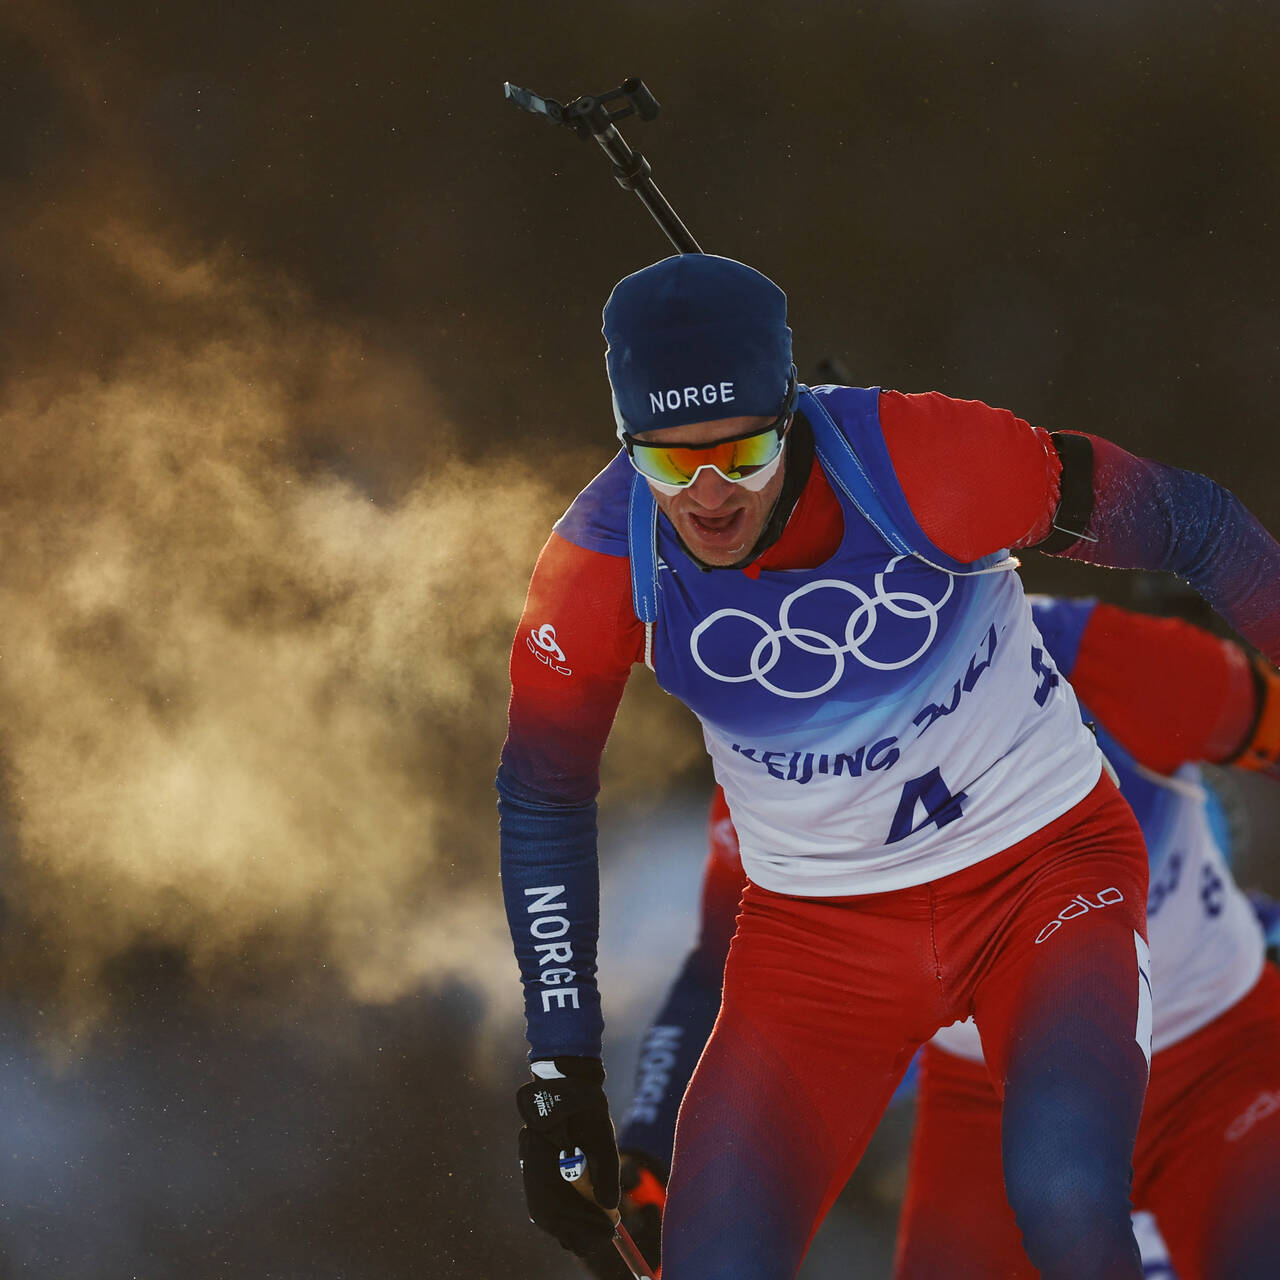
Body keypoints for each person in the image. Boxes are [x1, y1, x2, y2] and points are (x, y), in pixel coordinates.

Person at [497, 252, 1280, 1280]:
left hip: (1037, 875)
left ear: (788, 413)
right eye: (666, 463)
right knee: (711, 1257)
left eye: (738, 451)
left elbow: (1191, 523)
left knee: (1063, 1195)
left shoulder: (927, 462)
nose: (708, 497)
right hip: (821, 939)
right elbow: (543, 796)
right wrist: (563, 1069)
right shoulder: (599, 562)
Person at [597, 595, 1280, 1280]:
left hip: (1216, 1063)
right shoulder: (772, 769)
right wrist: (653, 1156)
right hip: (990, 1105)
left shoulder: (1088, 650)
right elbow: (728, 983)